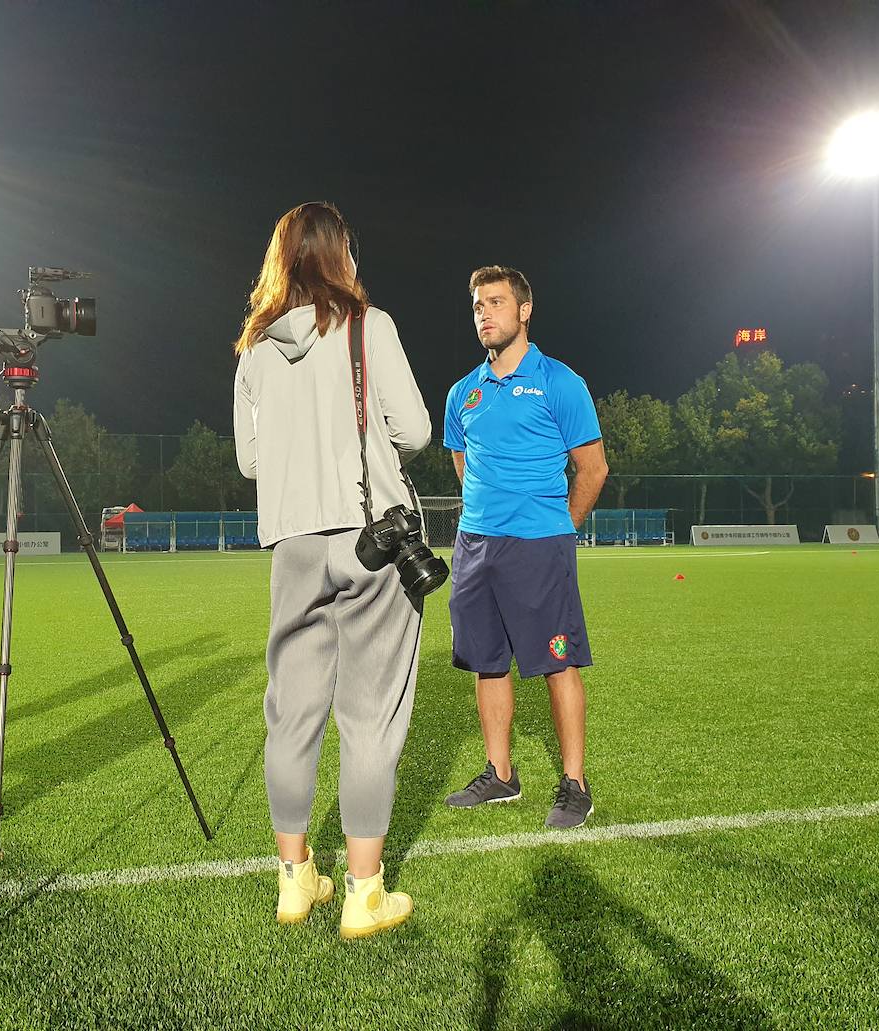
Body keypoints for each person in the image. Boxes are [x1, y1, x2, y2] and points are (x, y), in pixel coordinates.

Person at [233, 202, 430, 938]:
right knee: (369, 717)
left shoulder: (253, 349)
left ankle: (294, 879)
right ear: (341, 252)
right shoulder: (368, 327)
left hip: (291, 543)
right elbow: (414, 429)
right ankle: (363, 891)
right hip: (368, 536)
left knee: (292, 712)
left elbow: (250, 461)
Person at [442, 265, 608, 829]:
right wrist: (487, 513)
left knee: (557, 662)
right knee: (488, 663)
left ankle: (575, 783)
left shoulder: (561, 383)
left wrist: (560, 524)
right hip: (475, 545)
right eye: (476, 306)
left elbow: (593, 467)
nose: (483, 314)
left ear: (524, 310)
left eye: (494, 302)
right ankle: (500, 774)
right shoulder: (462, 392)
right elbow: (463, 464)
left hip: (541, 546)